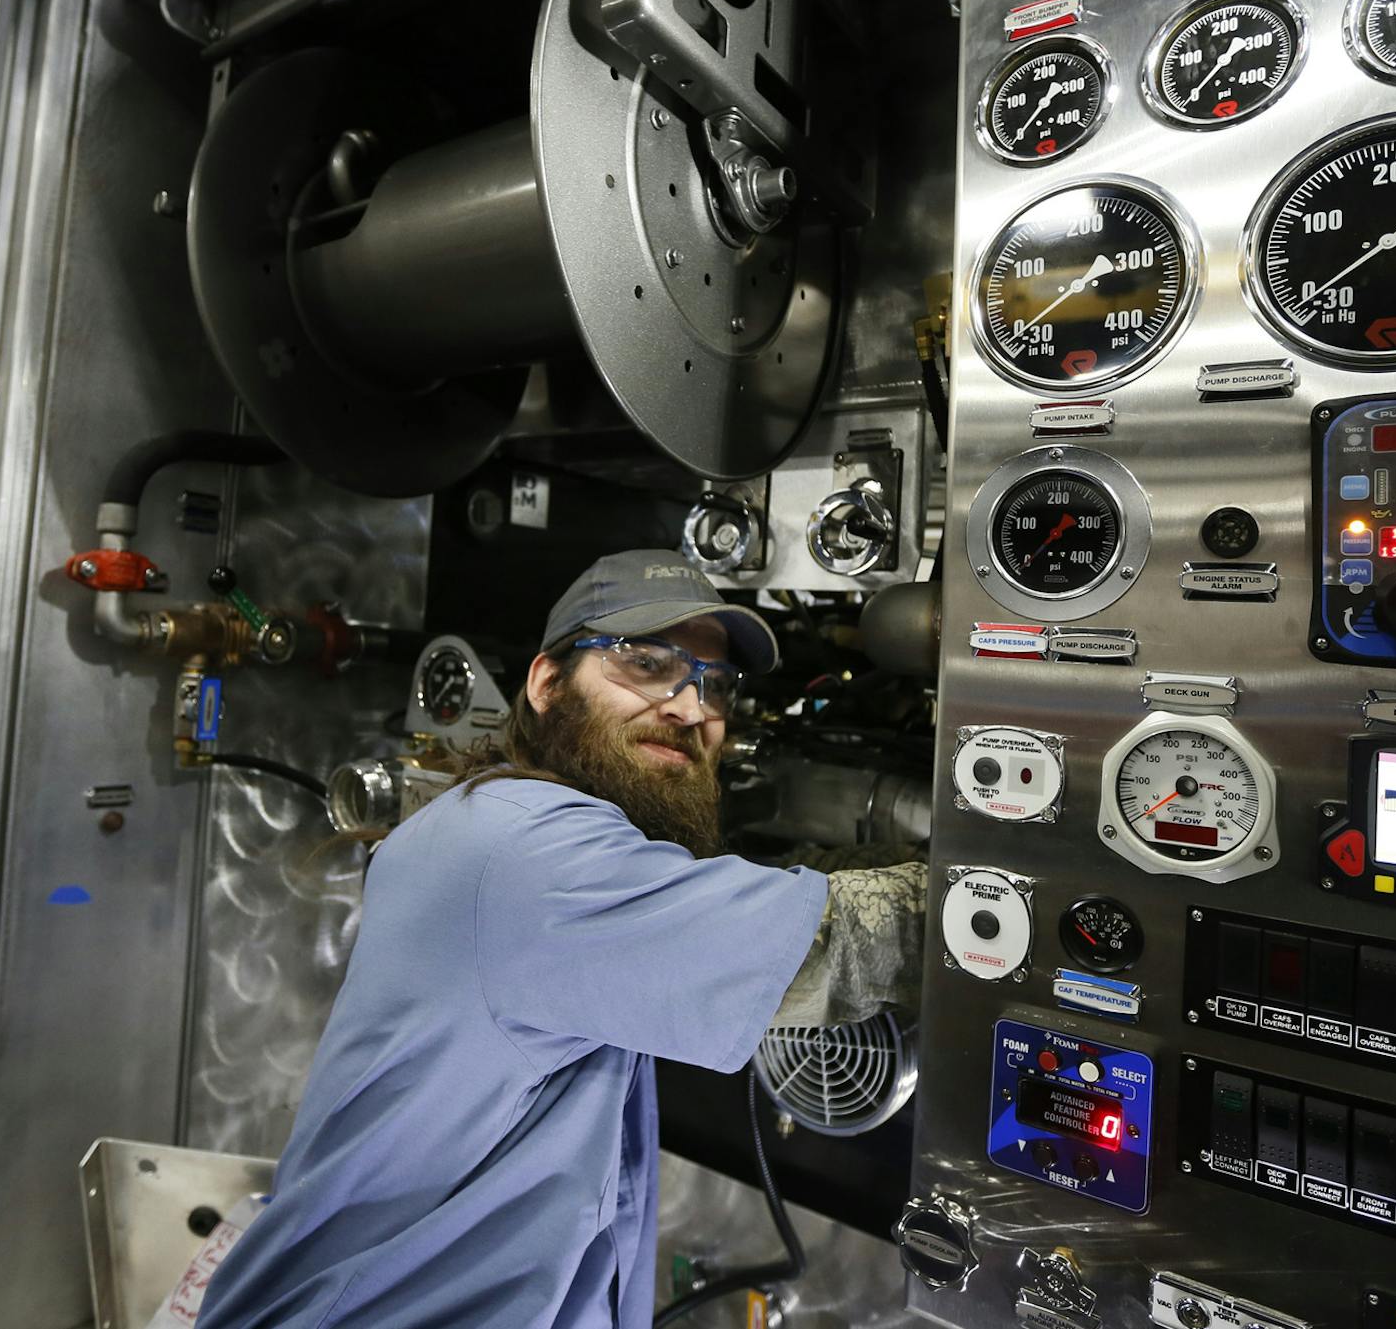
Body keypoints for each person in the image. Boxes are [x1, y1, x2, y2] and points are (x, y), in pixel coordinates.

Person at [197, 550, 926, 1328]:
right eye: (645, 663)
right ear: (547, 683)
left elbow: (767, 883)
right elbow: (844, 942)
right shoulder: (522, 851)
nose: (689, 707)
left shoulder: (521, 832)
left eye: (714, 685)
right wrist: (1034, 894)